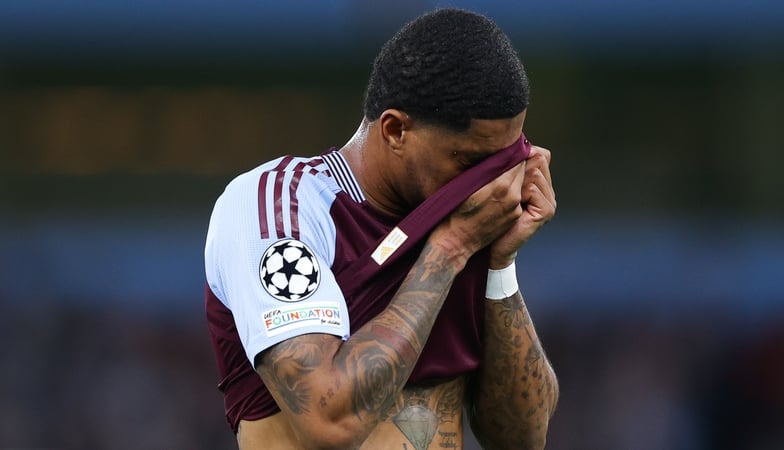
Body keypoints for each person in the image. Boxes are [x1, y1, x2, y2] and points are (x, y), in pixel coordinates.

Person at [205, 8, 558, 449]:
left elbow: (523, 439)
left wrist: (500, 264)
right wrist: (450, 249)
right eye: (470, 163)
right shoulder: (281, 206)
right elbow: (329, 422)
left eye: (504, 162)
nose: (493, 186)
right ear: (395, 131)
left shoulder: (465, 226)